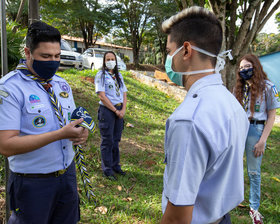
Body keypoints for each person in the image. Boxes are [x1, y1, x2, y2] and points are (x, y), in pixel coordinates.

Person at [160, 6, 249, 224]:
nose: (168, 59)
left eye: (170, 51)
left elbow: (177, 219)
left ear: (187, 50)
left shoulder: (188, 120)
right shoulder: (231, 104)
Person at [0, 21, 88, 224]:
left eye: (57, 56)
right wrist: (60, 134)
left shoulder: (61, 84)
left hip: (66, 176)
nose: (53, 61)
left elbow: (74, 120)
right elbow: (6, 145)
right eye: (46, 56)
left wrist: (82, 132)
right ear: (28, 53)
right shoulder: (10, 89)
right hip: (32, 184)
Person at [234, 54, 280, 224]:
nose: (244, 70)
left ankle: (254, 208)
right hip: (240, 129)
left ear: (256, 66)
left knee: (253, 172)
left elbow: (272, 116)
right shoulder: (240, 88)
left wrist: (262, 141)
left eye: (247, 66)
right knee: (234, 167)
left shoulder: (268, 87)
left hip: (256, 130)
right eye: (241, 68)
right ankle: (234, 198)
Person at [95, 51, 127, 181]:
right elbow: (102, 96)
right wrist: (115, 111)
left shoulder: (118, 76)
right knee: (107, 140)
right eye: (108, 59)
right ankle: (107, 169)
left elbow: (124, 93)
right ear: (104, 61)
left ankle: (115, 165)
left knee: (116, 140)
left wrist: (123, 110)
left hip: (119, 110)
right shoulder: (101, 75)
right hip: (108, 111)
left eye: (112, 59)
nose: (110, 61)